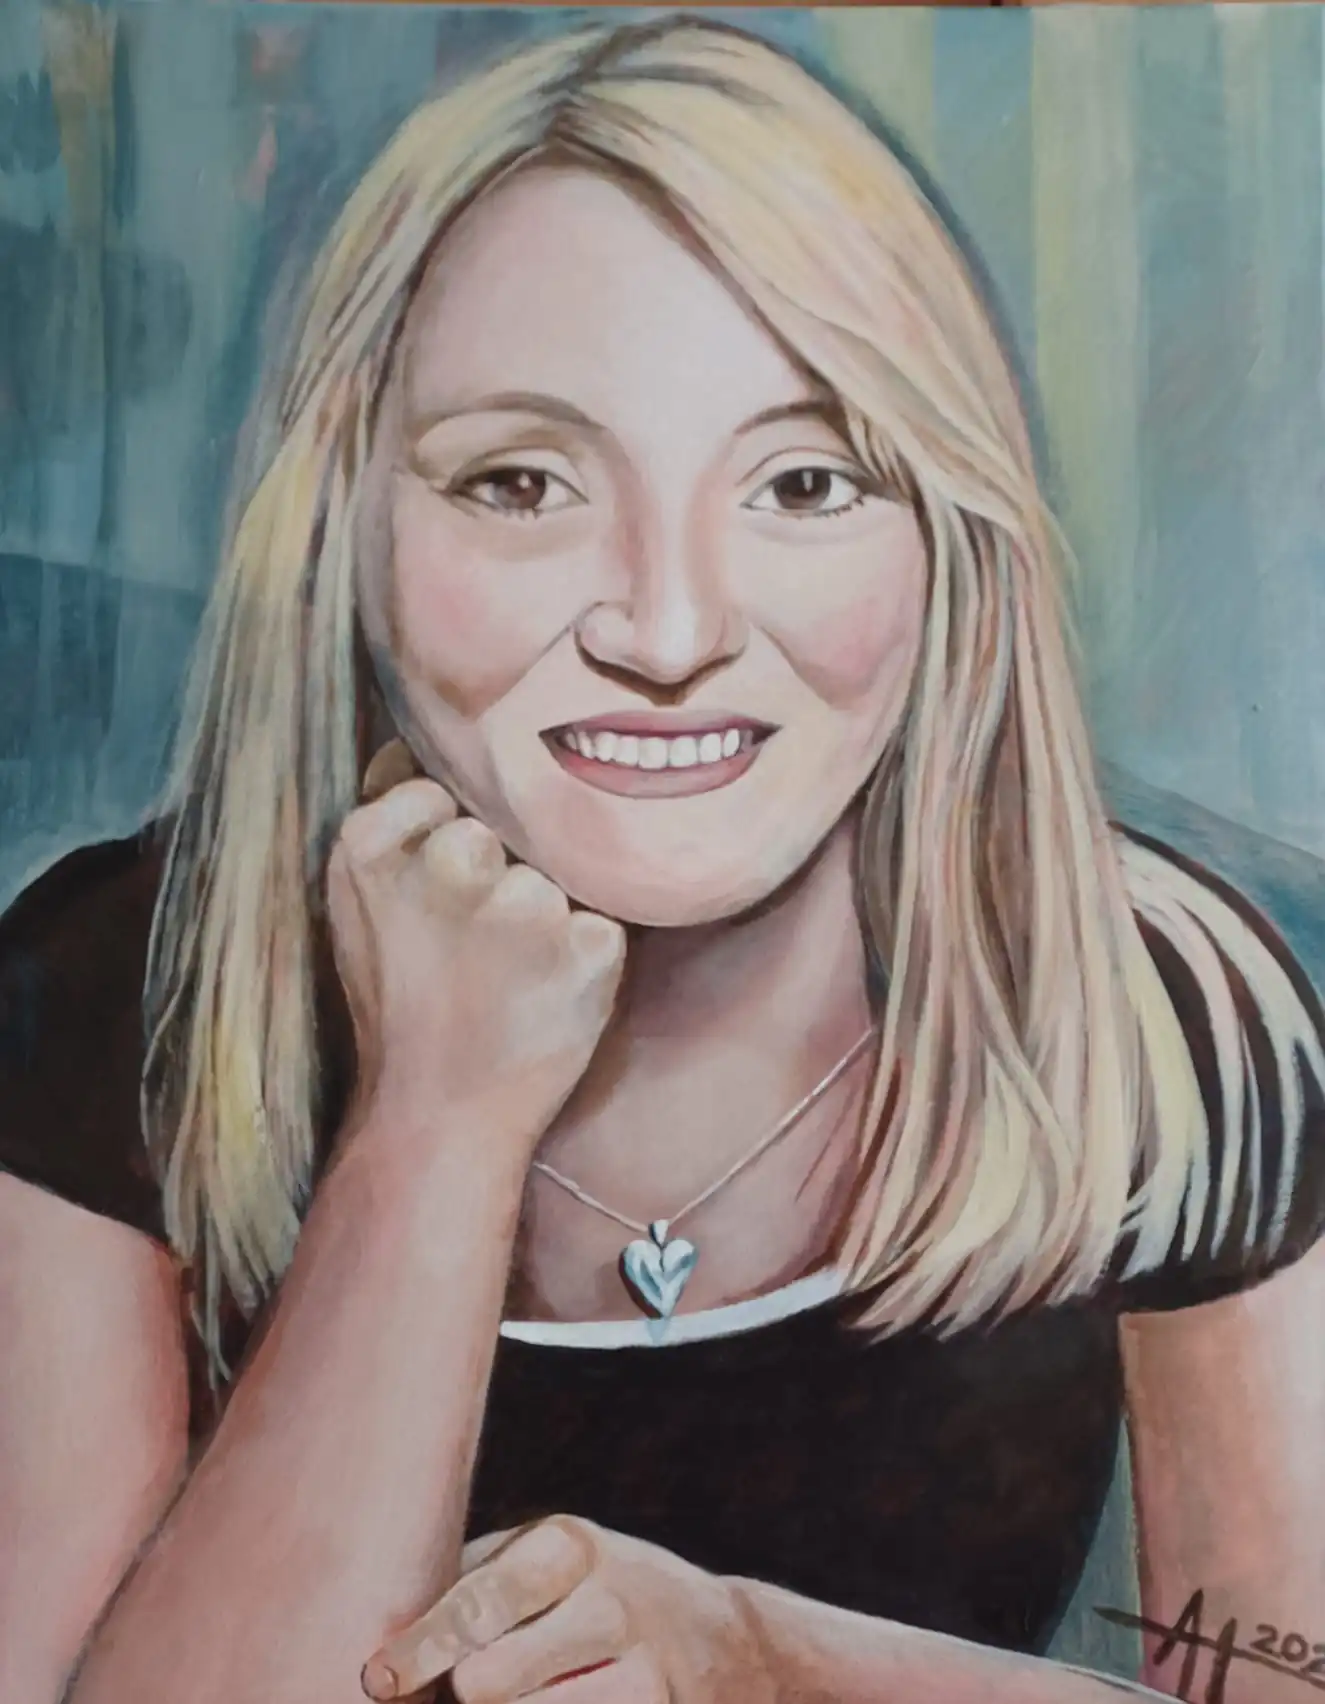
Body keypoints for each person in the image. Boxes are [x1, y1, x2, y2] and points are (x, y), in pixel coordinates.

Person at [0, 16, 1322, 1704]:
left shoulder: (1160, 1013)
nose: (672, 631)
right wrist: (437, 1119)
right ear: (344, 525)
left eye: (806, 481)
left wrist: (763, 1660)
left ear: (952, 543)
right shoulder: (117, 993)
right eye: (522, 482)